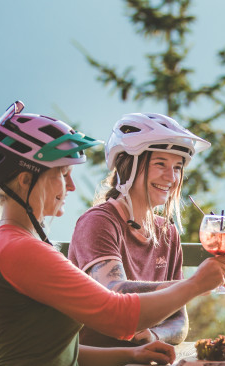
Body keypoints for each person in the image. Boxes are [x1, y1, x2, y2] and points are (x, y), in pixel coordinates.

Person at [0, 101, 225, 366]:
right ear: (26, 181)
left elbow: (59, 354)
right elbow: (118, 315)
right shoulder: (20, 249)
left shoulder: (21, 243)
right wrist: (196, 283)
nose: (70, 186)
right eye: (63, 174)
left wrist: (130, 355)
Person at [68, 112, 210, 348]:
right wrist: (194, 284)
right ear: (128, 167)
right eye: (160, 164)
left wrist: (155, 336)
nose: (171, 177)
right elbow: (115, 294)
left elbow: (179, 320)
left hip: (144, 364)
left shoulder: (168, 232)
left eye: (177, 167)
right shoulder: (99, 222)